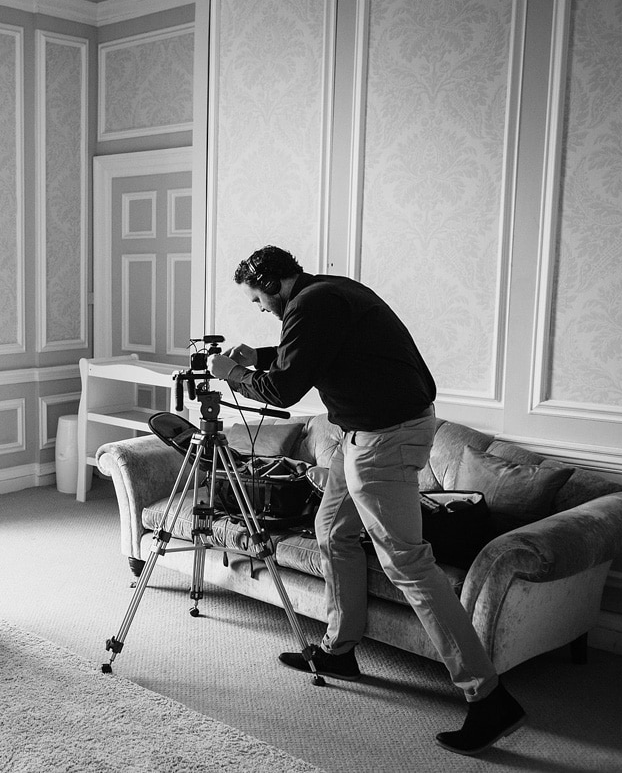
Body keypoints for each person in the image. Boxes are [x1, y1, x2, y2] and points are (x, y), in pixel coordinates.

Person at [206, 245, 525, 756]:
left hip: (384, 438)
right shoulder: (329, 292)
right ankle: (339, 649)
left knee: (408, 563)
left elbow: (285, 390)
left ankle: (488, 697)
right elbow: (315, 355)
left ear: (275, 284)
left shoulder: (313, 304)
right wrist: (257, 357)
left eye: (258, 300)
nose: (261, 309)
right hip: (361, 434)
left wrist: (232, 374)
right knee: (332, 531)